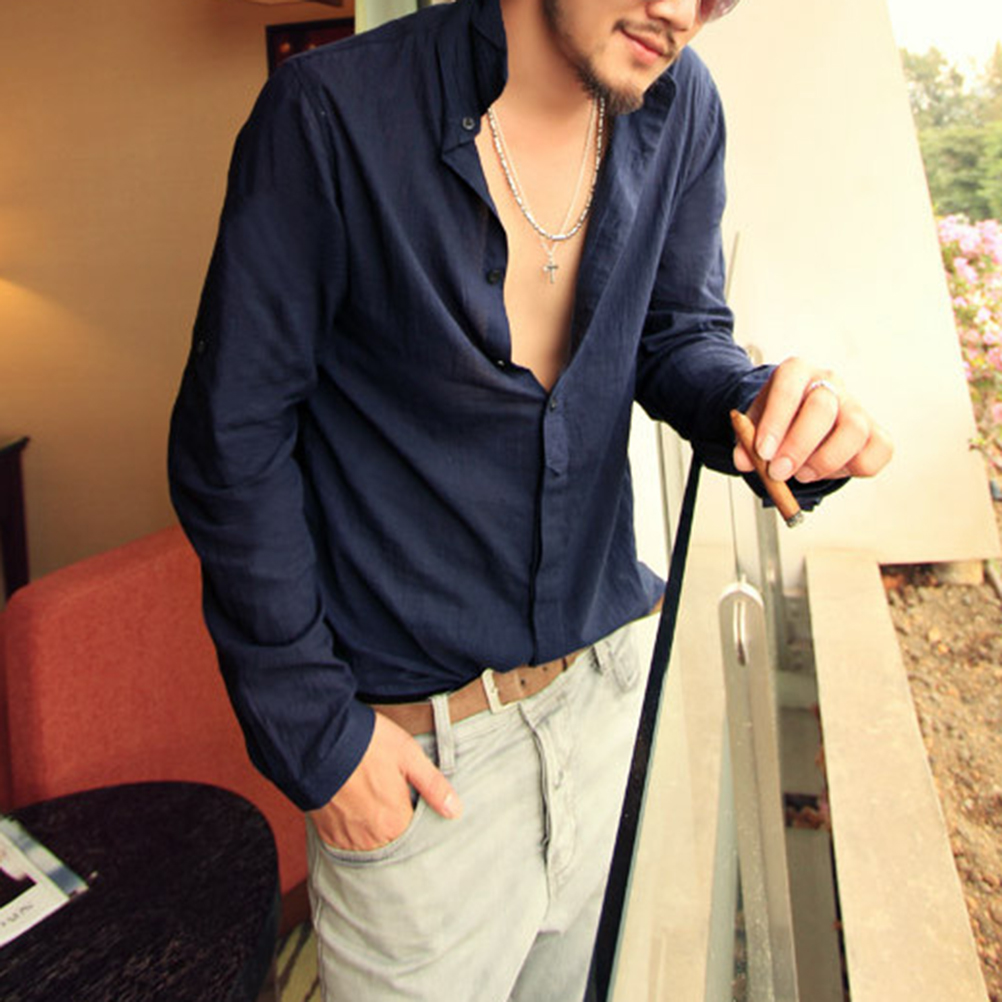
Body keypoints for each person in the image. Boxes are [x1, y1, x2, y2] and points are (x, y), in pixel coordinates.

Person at [168, 0, 892, 997]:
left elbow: (678, 335)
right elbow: (232, 444)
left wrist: (767, 407)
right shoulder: (328, 113)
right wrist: (318, 742)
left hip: (608, 706)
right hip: (423, 768)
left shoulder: (683, 106)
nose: (683, 11)